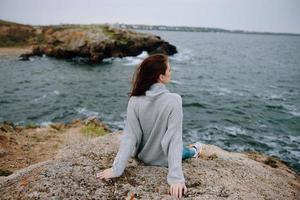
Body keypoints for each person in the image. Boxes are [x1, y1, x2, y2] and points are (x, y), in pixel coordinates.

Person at [96, 54, 203, 199]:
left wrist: (117, 169)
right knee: (183, 150)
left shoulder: (134, 100)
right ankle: (194, 151)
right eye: (169, 70)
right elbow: (173, 140)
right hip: (164, 159)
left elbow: (129, 137)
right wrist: (176, 178)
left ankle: (193, 149)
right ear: (161, 77)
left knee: (179, 148)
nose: (171, 72)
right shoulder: (174, 100)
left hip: (143, 157)